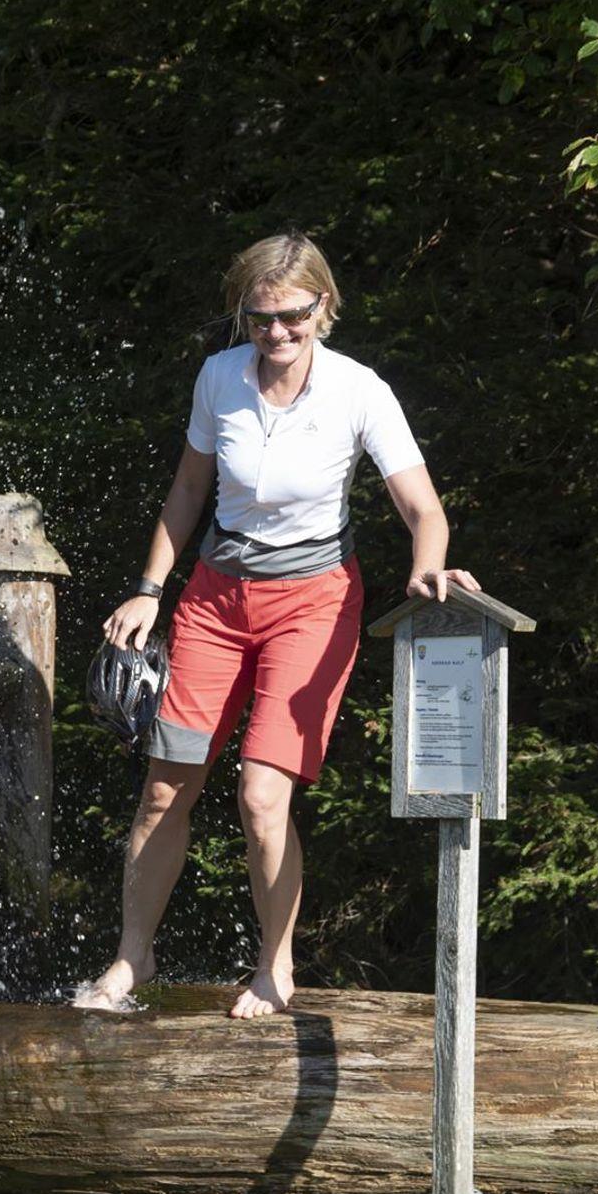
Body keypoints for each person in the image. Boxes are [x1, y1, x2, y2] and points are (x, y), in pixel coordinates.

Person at [75, 232, 479, 1019]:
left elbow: (423, 509)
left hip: (314, 603)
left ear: (324, 307)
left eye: (293, 316)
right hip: (215, 598)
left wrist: (426, 568)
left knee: (263, 796)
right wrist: (150, 588)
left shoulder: (360, 390)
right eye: (261, 318)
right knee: (164, 789)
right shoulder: (219, 377)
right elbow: (188, 491)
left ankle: (275, 966)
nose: (277, 333)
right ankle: (132, 957)